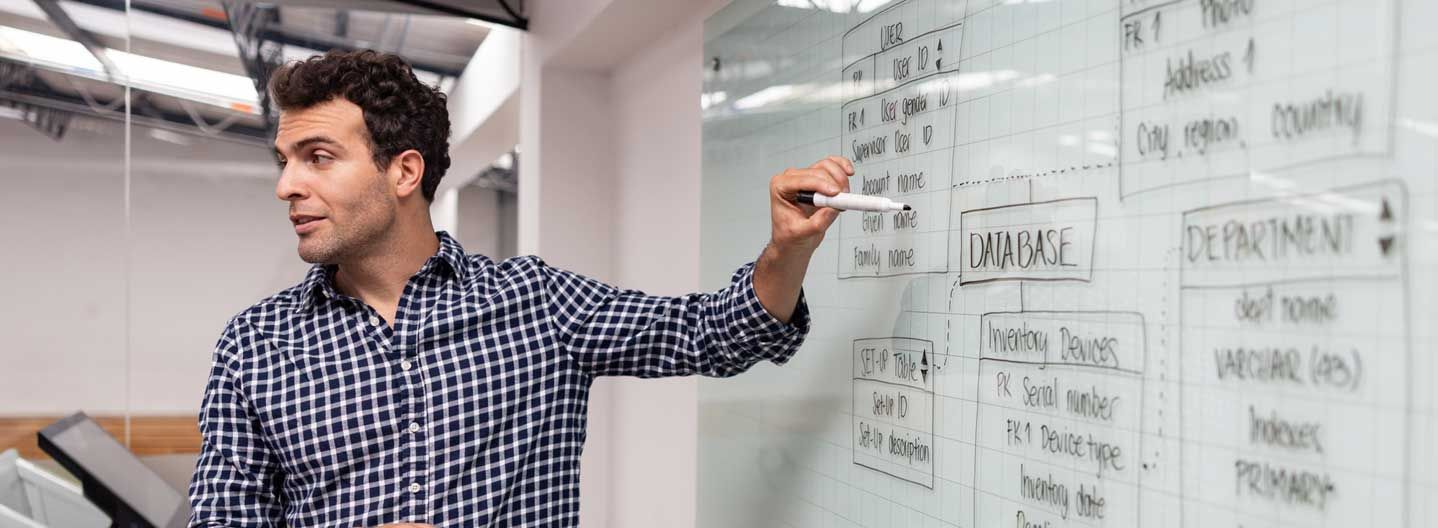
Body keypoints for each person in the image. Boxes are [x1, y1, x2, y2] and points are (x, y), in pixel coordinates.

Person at [186, 50, 853, 527]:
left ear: (404, 172)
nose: (287, 186)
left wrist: (786, 247)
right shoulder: (256, 345)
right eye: (285, 162)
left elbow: (718, 334)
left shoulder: (535, 304)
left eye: (318, 158)